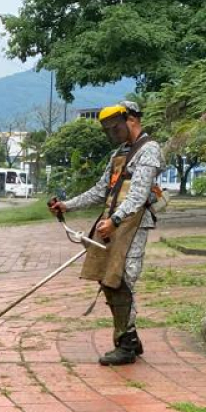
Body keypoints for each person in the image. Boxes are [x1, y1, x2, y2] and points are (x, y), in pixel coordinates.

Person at [49, 100, 163, 366]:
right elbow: (101, 190)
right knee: (108, 278)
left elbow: (138, 195)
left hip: (133, 224)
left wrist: (116, 220)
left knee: (122, 280)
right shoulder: (118, 154)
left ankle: (126, 344)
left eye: (115, 128)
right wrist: (67, 205)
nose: (113, 134)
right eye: (108, 130)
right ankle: (130, 338)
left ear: (131, 120)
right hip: (111, 223)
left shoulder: (149, 149)